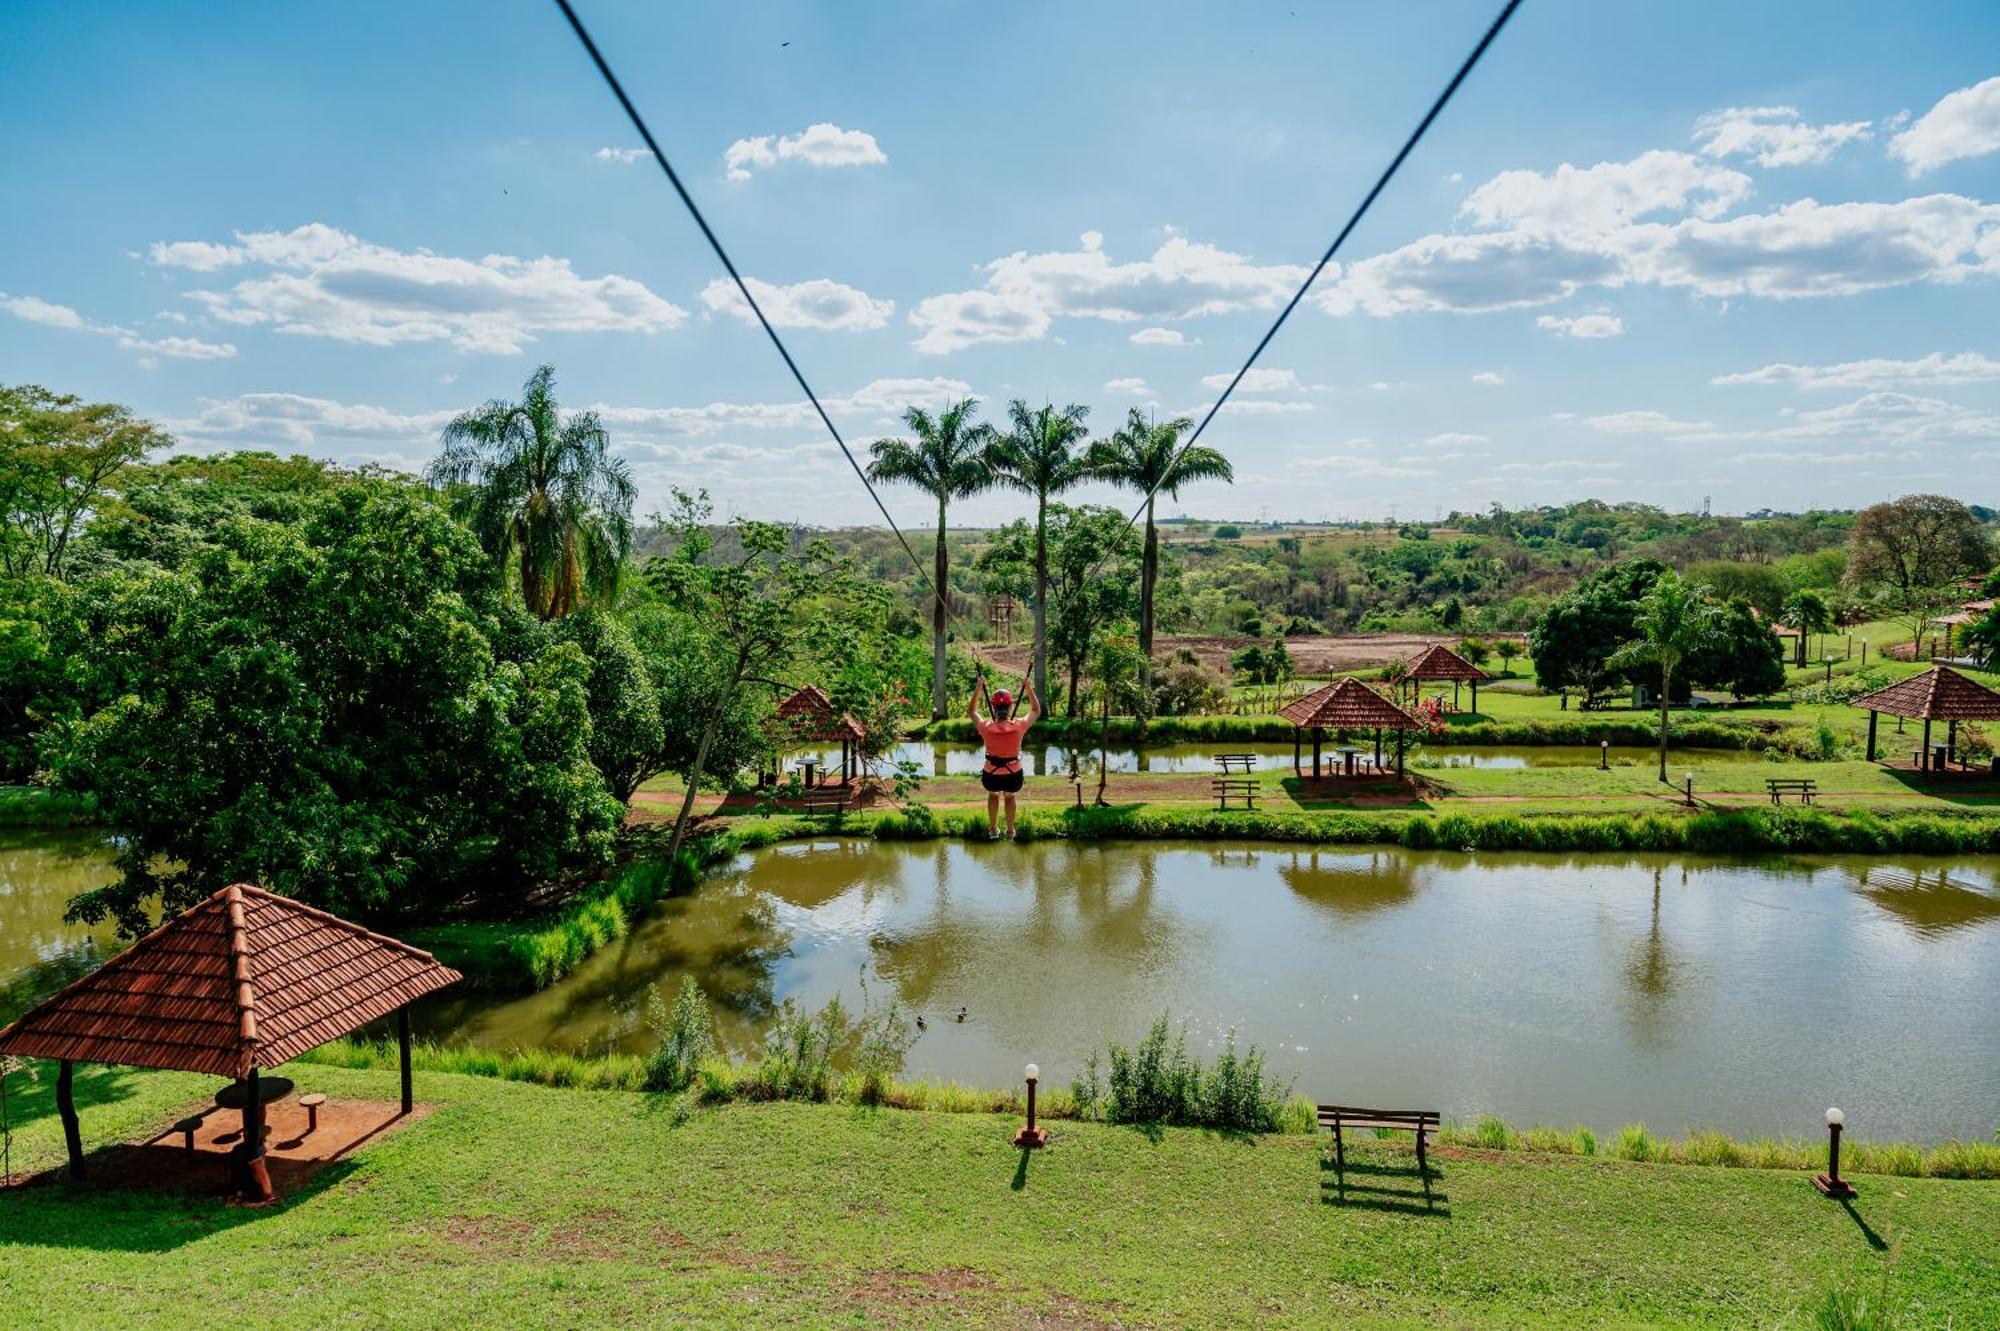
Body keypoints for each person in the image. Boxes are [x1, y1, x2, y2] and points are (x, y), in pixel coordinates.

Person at [970, 672, 1038, 839]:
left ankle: (993, 829)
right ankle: (1009, 831)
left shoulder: (985, 727)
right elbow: (1036, 710)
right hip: (1013, 774)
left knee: (993, 795)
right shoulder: (1019, 726)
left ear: (994, 708)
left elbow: (971, 711)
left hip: (991, 774)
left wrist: (979, 688)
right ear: (1009, 708)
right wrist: (1028, 688)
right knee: (1009, 797)